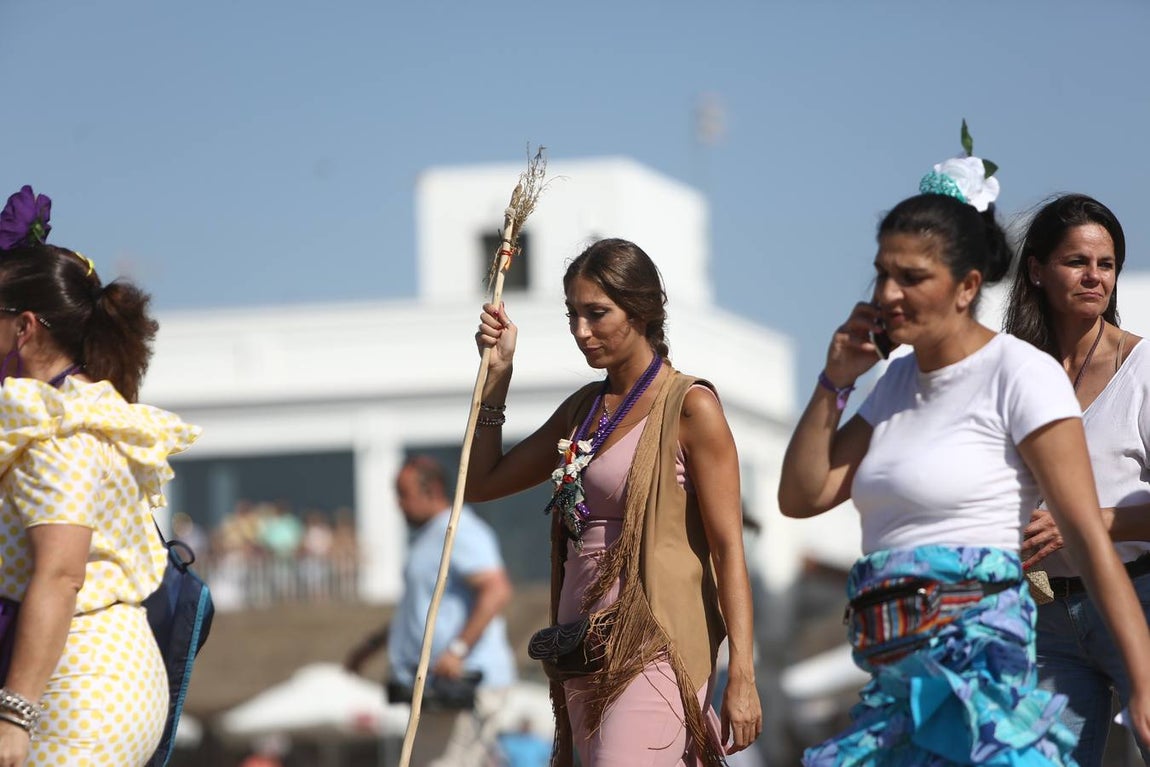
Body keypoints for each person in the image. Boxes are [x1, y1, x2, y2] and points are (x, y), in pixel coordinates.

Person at [776, 147, 1150, 765]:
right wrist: (834, 381)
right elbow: (804, 495)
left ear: (967, 285)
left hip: (984, 659)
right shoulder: (894, 382)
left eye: (912, 277)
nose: (888, 294)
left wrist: (1141, 676)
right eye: (882, 274)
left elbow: (1085, 533)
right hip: (903, 668)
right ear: (1034, 271)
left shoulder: (1020, 373)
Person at [468, 238, 762, 766]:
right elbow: (483, 482)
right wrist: (497, 378)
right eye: (572, 314)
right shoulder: (582, 409)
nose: (581, 330)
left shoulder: (691, 406)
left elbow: (728, 548)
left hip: (655, 643)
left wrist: (742, 672)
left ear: (643, 310)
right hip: (581, 645)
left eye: (597, 313)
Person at [0, 184, 199, 765]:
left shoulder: (60, 427)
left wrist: (14, 717)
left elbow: (61, 576)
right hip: (97, 682)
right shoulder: (86, 409)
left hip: (76, 692)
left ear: (25, 327)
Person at [1004, 193, 1150, 765]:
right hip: (1045, 618)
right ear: (1036, 269)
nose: (1094, 276)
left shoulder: (1141, 371)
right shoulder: (1012, 373)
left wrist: (1080, 525)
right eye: (1077, 262)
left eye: (1106, 264)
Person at [344, 454, 516, 767]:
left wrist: (458, 650)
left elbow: (497, 589)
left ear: (432, 490)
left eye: (403, 494)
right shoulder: (429, 537)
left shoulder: (459, 530)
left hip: (464, 684)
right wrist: (371, 647)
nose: (397, 504)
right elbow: (418, 612)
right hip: (438, 687)